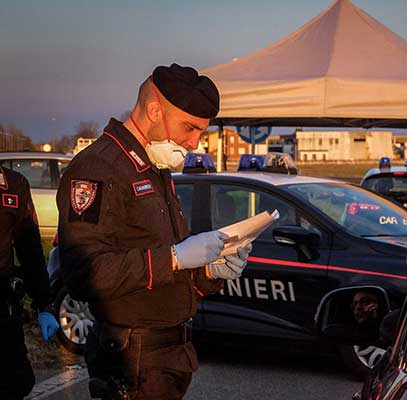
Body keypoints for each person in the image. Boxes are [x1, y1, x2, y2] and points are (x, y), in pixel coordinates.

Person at [57, 64, 251, 400]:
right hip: (133, 358)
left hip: (166, 357)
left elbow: (163, 266)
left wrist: (209, 271)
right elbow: (82, 273)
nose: (195, 142)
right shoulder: (99, 166)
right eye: (190, 128)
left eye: (201, 132)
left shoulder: (155, 168)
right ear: (154, 110)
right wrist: (174, 258)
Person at [0, 166, 59, 399]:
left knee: (15, 384)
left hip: (3, 311)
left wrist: (44, 304)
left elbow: (30, 249)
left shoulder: (13, 186)